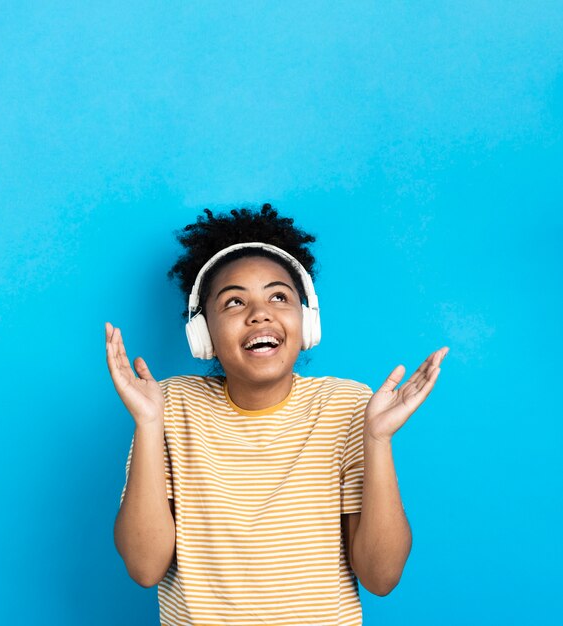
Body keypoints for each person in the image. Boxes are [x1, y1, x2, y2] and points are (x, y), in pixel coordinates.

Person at [106, 203, 449, 625]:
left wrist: (377, 439)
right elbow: (144, 568)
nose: (260, 313)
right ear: (203, 333)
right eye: (234, 302)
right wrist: (147, 424)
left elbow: (381, 577)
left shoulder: (347, 405)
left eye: (279, 296)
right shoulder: (169, 405)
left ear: (307, 322)